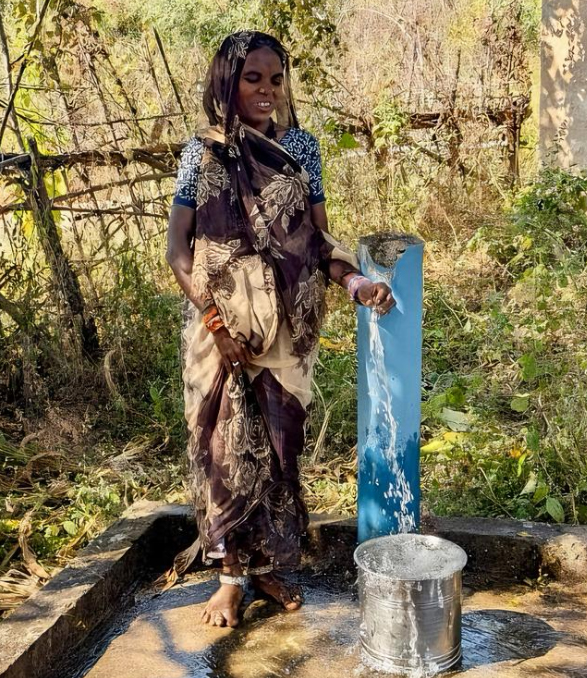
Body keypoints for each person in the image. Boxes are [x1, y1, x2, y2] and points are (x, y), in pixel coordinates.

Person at [166, 31, 395, 628]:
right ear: (227, 82)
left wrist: (355, 283)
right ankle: (229, 578)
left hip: (287, 329)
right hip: (219, 331)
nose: (266, 90)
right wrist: (217, 326)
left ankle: (265, 565)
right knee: (223, 450)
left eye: (275, 79)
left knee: (278, 447)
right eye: (253, 79)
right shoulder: (202, 154)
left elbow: (317, 239)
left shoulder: (300, 149)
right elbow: (179, 252)